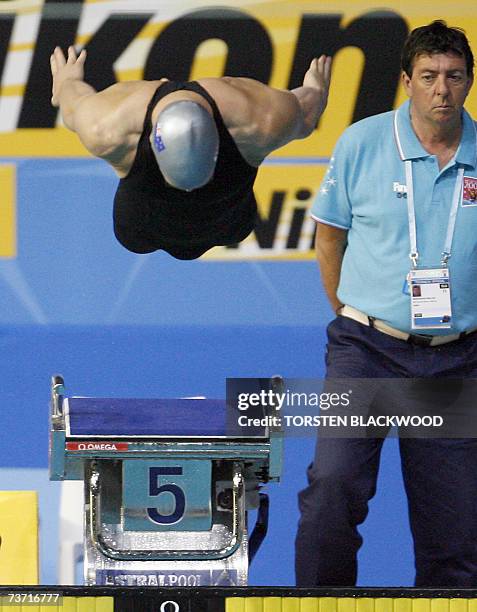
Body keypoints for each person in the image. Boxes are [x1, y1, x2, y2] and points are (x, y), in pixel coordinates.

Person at [295, 20, 477, 587]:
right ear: (406, 81)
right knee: (332, 489)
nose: (441, 90)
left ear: (470, 82)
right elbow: (329, 238)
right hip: (366, 351)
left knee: (456, 526)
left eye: (453, 76)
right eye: (428, 77)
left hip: (456, 360)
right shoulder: (362, 143)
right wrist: (354, 313)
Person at [50, 47, 331, 259]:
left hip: (145, 226)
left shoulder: (106, 128)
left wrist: (65, 83)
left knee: (133, 240)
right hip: (227, 220)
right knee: (232, 226)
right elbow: (306, 116)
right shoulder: (261, 120)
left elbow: (72, 103)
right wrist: (314, 88)